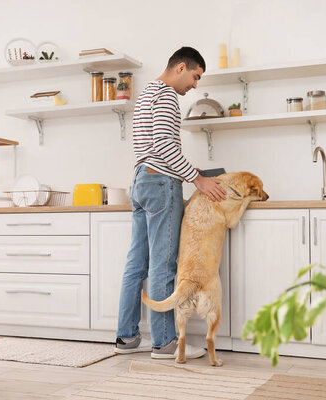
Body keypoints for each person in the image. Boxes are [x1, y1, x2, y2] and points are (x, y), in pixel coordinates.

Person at [115, 47, 226, 359]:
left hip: (141, 181)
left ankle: (126, 337)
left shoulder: (148, 92)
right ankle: (164, 343)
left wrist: (192, 172)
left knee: (137, 264)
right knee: (163, 266)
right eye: (195, 76)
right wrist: (197, 178)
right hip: (161, 185)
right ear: (180, 67)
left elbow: (152, 146)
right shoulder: (166, 95)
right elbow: (164, 144)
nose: (195, 85)